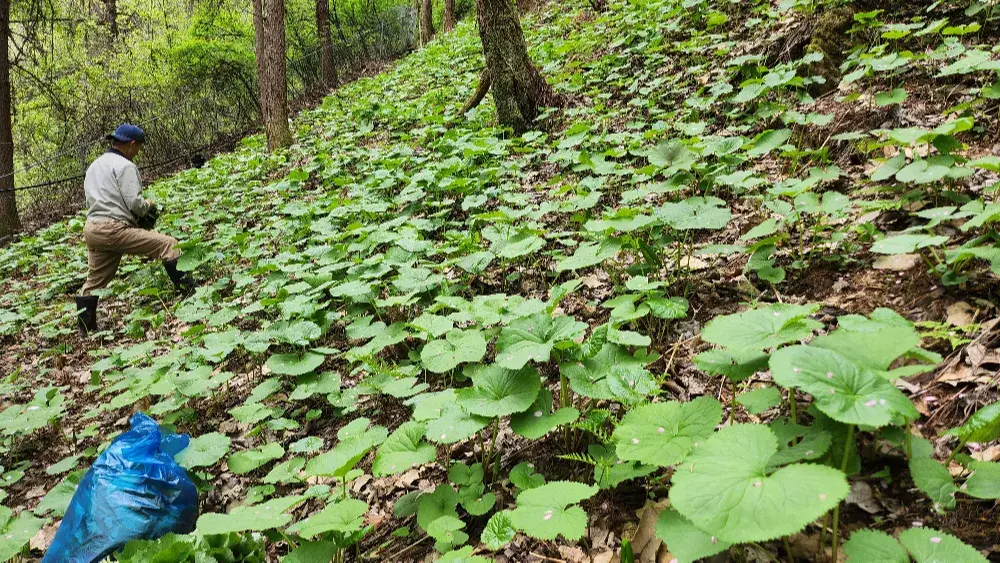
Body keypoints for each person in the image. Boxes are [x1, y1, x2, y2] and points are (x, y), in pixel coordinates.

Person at [75, 124, 194, 335]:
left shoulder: (94, 166)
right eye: (138, 148)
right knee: (169, 244)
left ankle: (85, 329)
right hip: (114, 229)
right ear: (131, 144)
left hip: (93, 229)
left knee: (95, 280)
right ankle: (190, 296)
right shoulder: (125, 166)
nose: (137, 152)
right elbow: (135, 204)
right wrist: (148, 203)